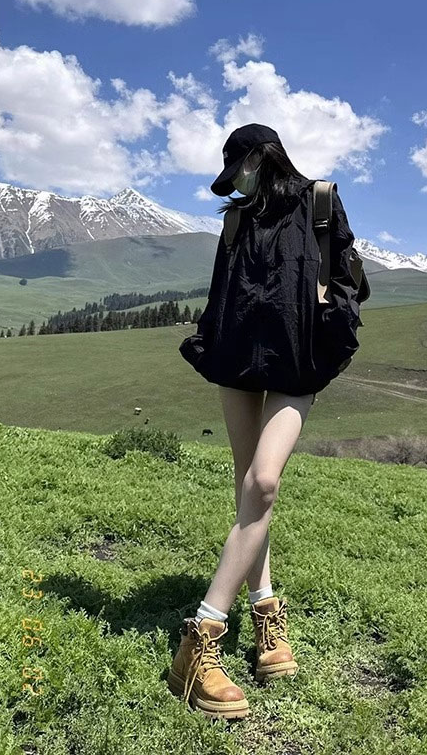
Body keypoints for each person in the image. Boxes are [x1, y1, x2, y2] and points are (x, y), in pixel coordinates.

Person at [169, 123, 363, 720]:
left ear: (261, 157)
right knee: (247, 485)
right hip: (237, 357)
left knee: (264, 482)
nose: (238, 183)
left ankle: (201, 637)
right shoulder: (236, 219)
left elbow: (351, 280)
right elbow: (221, 290)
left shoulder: (320, 201)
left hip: (297, 361)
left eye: (241, 169)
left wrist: (331, 314)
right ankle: (266, 613)